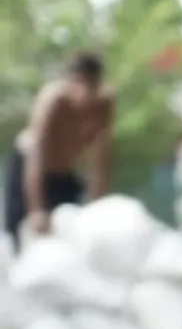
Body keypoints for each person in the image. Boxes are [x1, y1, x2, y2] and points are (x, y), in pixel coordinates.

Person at [6, 54, 113, 241]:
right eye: (79, 83)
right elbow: (36, 154)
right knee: (20, 231)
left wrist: (98, 206)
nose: (84, 92)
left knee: (66, 232)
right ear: (68, 81)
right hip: (29, 168)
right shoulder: (53, 99)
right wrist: (36, 209)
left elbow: (101, 159)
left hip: (63, 174)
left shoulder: (103, 104)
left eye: (91, 84)